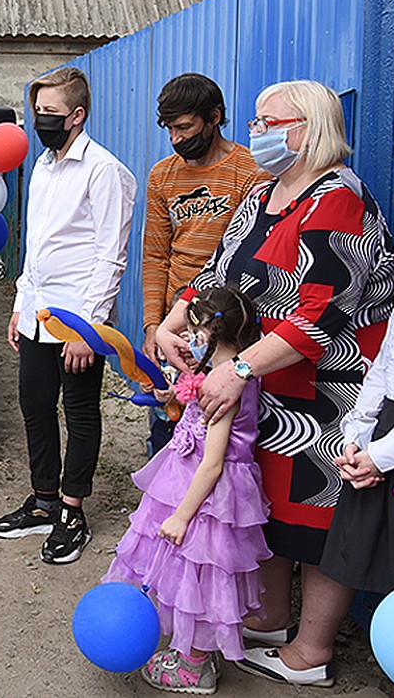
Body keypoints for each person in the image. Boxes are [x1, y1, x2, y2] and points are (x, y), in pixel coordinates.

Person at [156, 80, 394, 687]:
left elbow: (318, 312)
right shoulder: (266, 190)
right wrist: (172, 320)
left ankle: (309, 652)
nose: (256, 132)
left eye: (269, 121)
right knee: (269, 506)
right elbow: (217, 273)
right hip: (267, 384)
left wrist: (236, 369)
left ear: (309, 128)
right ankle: (267, 619)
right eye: (256, 120)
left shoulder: (338, 196)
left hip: (330, 389)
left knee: (319, 515)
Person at [0, 66, 137, 564]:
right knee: (34, 404)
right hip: (37, 313)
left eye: (50, 113)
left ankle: (73, 510)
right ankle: (44, 500)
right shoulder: (45, 167)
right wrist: (18, 306)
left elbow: (110, 256)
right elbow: (37, 247)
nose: (39, 120)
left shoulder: (104, 171)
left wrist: (89, 329)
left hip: (77, 319)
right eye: (37, 111)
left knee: (79, 411)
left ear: (77, 115)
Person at [104, 286, 270, 694]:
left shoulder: (225, 384)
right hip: (187, 477)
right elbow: (192, 405)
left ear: (211, 333)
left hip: (207, 494)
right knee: (184, 566)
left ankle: (195, 667)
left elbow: (214, 461)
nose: (187, 337)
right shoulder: (221, 369)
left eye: (193, 330)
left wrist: (181, 515)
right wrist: (172, 395)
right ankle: (193, 650)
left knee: (198, 569)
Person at [141, 74, 269, 455]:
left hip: (228, 330)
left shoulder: (251, 171)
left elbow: (247, 258)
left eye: (185, 127)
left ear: (214, 117)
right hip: (174, 326)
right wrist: (153, 326)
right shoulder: (162, 175)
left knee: (221, 438)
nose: (177, 139)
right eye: (170, 130)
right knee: (169, 424)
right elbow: (156, 255)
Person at [320, 127, 394, 604]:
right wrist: (358, 434)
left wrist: (384, 454)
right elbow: (383, 364)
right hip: (388, 432)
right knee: (390, 563)